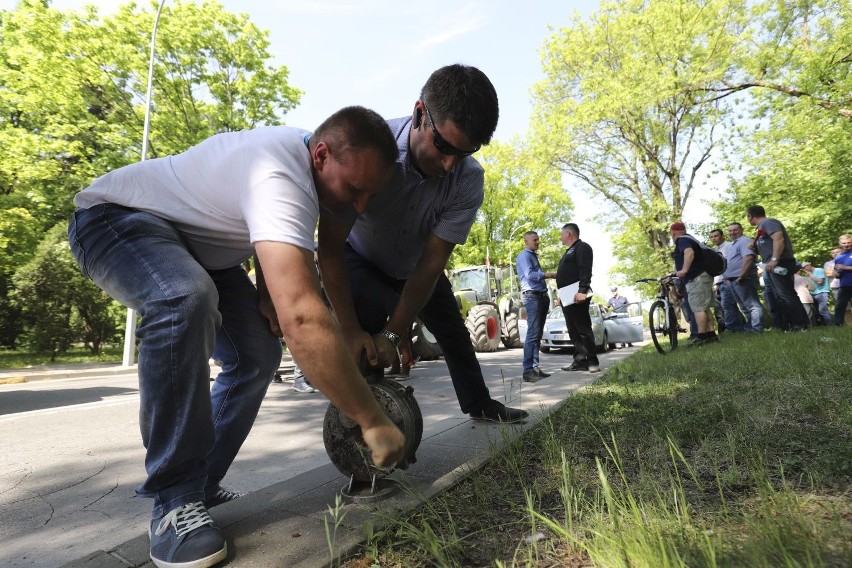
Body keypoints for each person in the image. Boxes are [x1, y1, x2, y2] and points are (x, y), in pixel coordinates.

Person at [67, 106, 406, 568]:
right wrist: (371, 419)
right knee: (183, 298)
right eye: (354, 190)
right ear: (322, 154)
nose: (360, 206)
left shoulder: (310, 170)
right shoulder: (278, 172)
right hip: (117, 220)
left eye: (370, 194)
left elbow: (280, 242)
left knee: (257, 354)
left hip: (201, 249)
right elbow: (302, 319)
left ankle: (201, 483)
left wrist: (268, 292)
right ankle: (173, 500)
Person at [317, 65, 528, 424]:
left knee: (453, 331)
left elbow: (432, 264)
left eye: (463, 153)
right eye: (443, 146)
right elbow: (330, 247)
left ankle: (479, 402)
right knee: (364, 337)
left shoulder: (468, 180)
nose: (448, 165)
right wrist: (357, 330)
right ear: (419, 114)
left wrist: (396, 331)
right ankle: (362, 425)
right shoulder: (369, 149)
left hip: (416, 265)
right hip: (360, 257)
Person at [746, 205, 810, 331]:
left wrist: (774, 259)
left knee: (787, 294)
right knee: (780, 296)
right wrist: (756, 248)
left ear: (750, 216)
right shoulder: (761, 228)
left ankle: (801, 324)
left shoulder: (768, 222)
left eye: (747, 217)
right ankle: (792, 324)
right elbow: (770, 246)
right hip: (771, 265)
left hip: (780, 263)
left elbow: (779, 239)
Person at [556, 223, 600, 373]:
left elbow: (585, 270)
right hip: (567, 296)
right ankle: (580, 360)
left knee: (583, 328)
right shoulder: (569, 251)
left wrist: (583, 290)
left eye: (562, 234)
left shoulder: (582, 247)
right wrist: (561, 296)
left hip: (577, 294)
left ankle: (592, 361)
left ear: (569, 234)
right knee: (573, 330)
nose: (561, 237)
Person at [516, 230, 556, 382]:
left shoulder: (532, 255)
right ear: (526, 242)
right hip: (532, 297)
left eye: (538, 240)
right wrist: (549, 275)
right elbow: (530, 275)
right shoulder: (524, 256)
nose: (537, 242)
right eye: (534, 240)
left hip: (540, 296)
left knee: (538, 334)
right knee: (533, 334)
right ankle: (527, 371)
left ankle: (535, 368)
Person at [670, 222, 718, 345]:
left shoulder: (682, 240)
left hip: (696, 278)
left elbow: (689, 252)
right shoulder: (691, 239)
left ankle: (701, 337)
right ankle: (711, 335)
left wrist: (685, 270)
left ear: (673, 232)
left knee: (698, 308)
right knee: (705, 307)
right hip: (703, 276)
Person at [726, 222, 764, 333]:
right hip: (734, 280)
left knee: (752, 305)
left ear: (741, 230)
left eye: (735, 230)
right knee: (744, 306)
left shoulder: (744, 241)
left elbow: (748, 258)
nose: (732, 232)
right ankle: (751, 328)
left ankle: (757, 329)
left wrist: (741, 276)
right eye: (730, 230)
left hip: (744, 278)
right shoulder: (734, 244)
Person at [710, 228, 744, 332]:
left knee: (727, 304)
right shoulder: (716, 250)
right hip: (719, 282)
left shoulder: (729, 246)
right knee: (727, 305)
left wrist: (728, 278)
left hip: (727, 279)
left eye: (716, 236)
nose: (713, 239)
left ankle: (732, 327)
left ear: (722, 236)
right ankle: (740, 326)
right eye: (711, 237)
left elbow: (731, 262)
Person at [832, 234, 852, 326]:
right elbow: (837, 274)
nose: (846, 245)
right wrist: (836, 273)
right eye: (844, 243)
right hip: (844, 285)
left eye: (849, 242)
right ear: (840, 244)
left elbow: (844, 267)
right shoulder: (838, 257)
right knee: (840, 306)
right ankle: (837, 325)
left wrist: (846, 267)